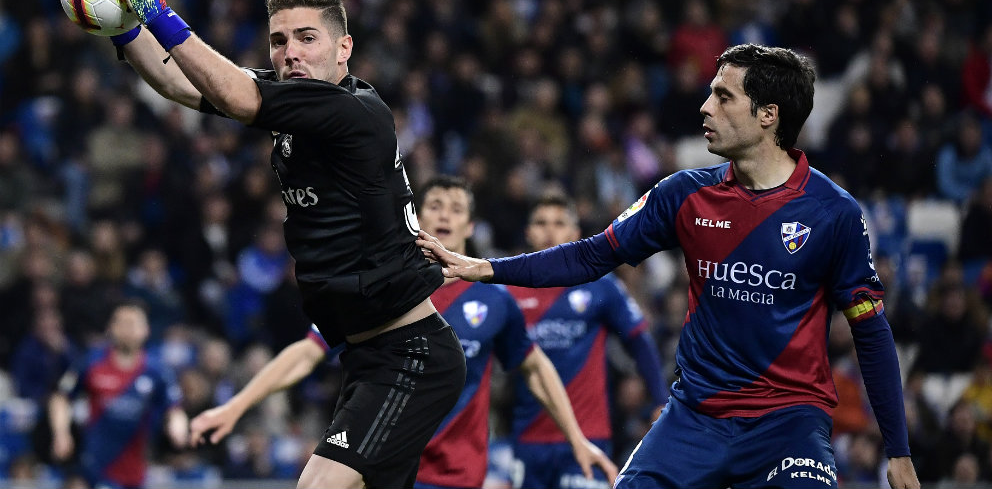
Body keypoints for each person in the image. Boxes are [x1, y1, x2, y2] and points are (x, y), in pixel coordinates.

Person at [419, 44, 921, 489]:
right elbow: (591, 254)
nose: (705, 107)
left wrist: (897, 450)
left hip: (788, 421)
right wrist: (485, 268)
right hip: (695, 416)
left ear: (768, 114)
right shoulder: (684, 195)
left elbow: (871, 333)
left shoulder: (833, 213)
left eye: (724, 97)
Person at [97, 0, 466, 489]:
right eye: (277, 40)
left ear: (344, 49)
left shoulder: (351, 111)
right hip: (366, 358)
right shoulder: (295, 98)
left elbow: (240, 99)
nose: (289, 52)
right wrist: (124, 27)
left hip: (409, 357)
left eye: (306, 38)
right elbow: (181, 82)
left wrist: (156, 12)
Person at [187, 175, 618, 488]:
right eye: (435, 206)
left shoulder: (494, 300)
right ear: (415, 216)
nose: (444, 215)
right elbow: (305, 353)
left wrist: (577, 439)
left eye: (456, 209)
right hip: (385, 467)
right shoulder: (383, 287)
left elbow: (536, 369)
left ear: (469, 227)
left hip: (457, 477)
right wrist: (234, 407)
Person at [502, 193, 668, 489]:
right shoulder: (509, 293)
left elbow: (639, 341)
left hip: (589, 433)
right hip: (529, 437)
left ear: (575, 234)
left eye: (559, 223)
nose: (550, 231)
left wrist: (659, 399)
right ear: (528, 233)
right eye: (541, 223)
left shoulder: (601, 285)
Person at [48, 302, 187, 489]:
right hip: (96, 466)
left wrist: (178, 428)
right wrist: (61, 433)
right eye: (123, 323)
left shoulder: (157, 370)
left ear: (145, 330)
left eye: (134, 324)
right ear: (111, 328)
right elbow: (61, 398)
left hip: (136, 469)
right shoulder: (91, 362)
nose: (128, 330)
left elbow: (174, 408)